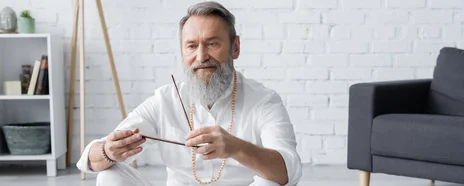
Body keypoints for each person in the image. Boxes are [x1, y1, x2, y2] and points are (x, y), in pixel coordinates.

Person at [76, 1, 303, 186]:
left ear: (235, 47)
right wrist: (108, 151)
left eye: (212, 44)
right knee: (109, 175)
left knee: (270, 183)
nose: (201, 56)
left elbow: (289, 170)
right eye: (192, 46)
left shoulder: (264, 101)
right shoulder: (165, 100)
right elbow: (89, 158)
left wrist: (236, 147)